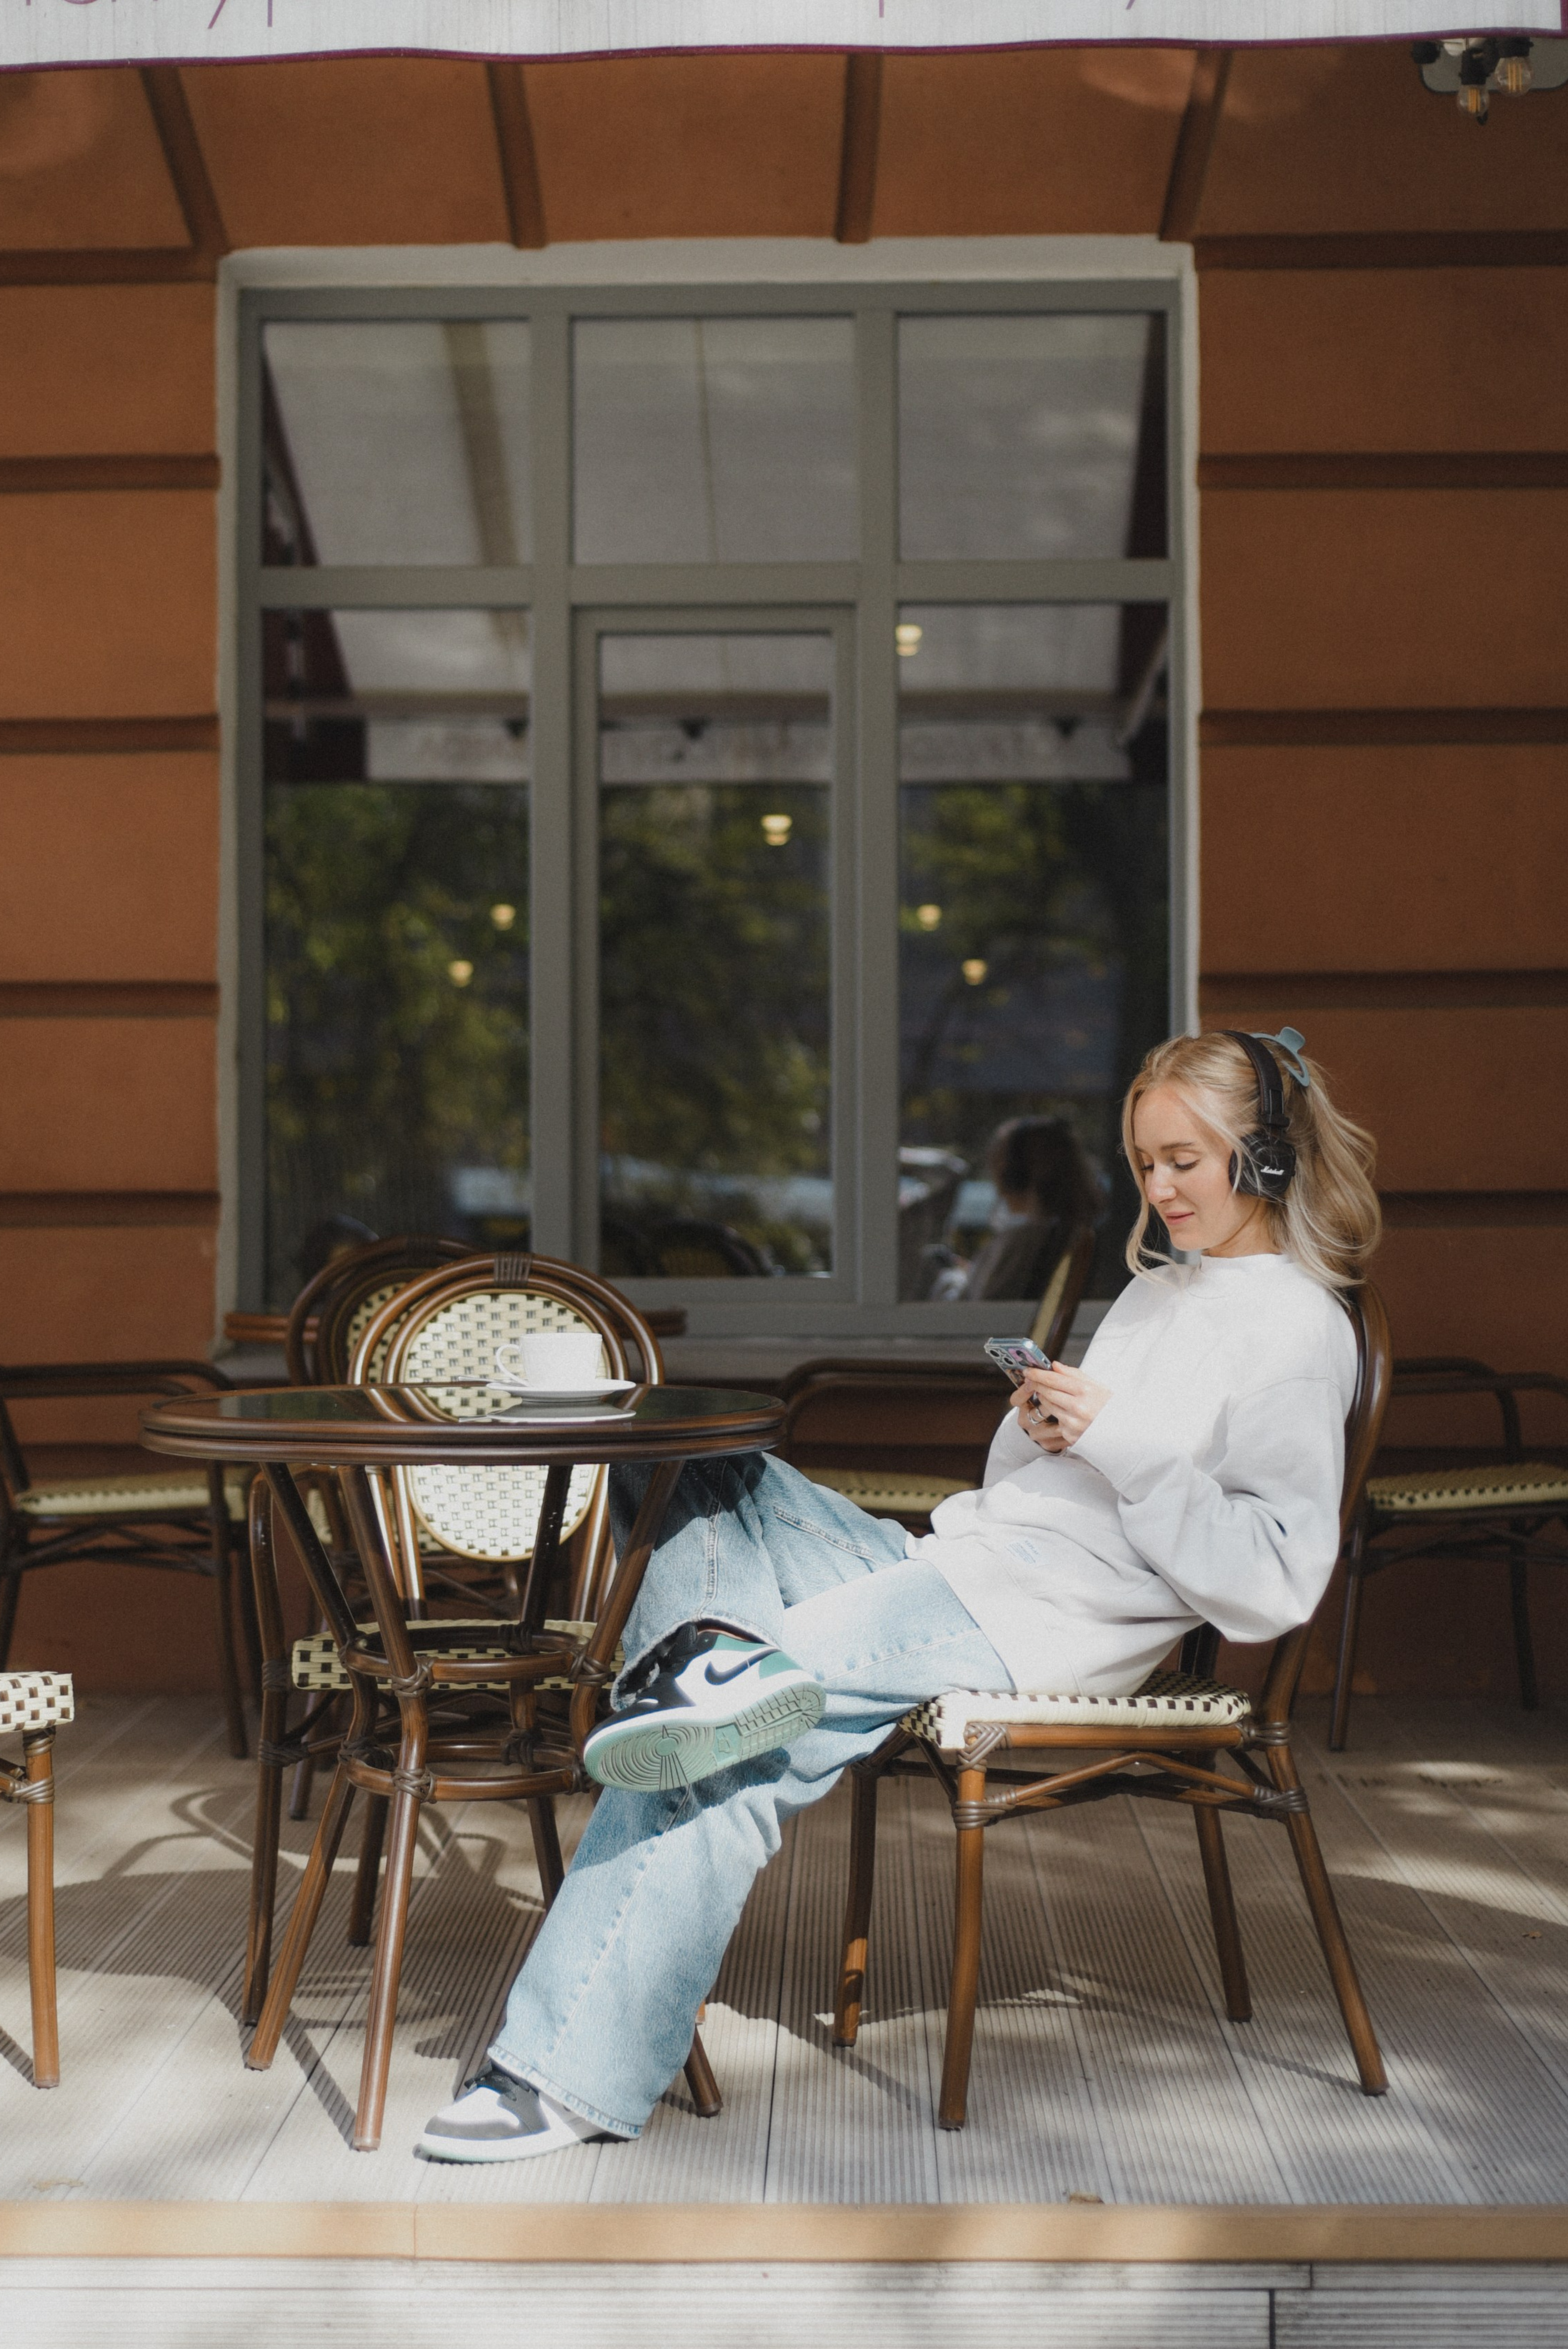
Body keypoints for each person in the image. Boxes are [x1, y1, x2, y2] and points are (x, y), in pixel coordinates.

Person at [417, 1026, 1380, 2163]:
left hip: (1045, 1621)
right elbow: (1032, 1494)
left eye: (1185, 1160)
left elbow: (1271, 1580)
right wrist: (1037, 1433)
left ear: (1263, 1157)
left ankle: (559, 2071)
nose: (1158, 1188)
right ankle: (709, 1663)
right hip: (952, 1567)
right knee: (670, 1454)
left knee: (724, 1738)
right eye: (1141, 1163)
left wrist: (1115, 1442)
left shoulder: (1297, 1328)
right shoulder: (1157, 1292)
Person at [932, 1114, 1103, 1302]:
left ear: (1013, 1174)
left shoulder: (1024, 1241)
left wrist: (954, 1278)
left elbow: (978, 1311)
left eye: (998, 1165)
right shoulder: (1078, 1235)